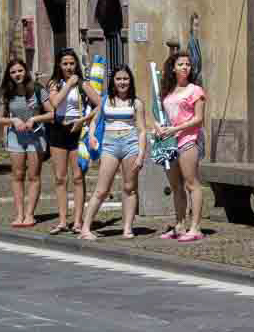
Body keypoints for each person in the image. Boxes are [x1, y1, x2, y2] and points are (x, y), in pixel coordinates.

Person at [82, 65, 148, 239]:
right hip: (110, 146)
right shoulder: (105, 100)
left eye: (125, 79)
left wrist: (141, 154)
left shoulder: (137, 103)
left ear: (130, 81)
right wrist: (91, 137)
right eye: (118, 79)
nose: (122, 82)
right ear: (113, 81)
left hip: (130, 145)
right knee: (102, 189)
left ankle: (127, 228)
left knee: (130, 188)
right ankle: (85, 228)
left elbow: (142, 130)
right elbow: (94, 122)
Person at [46, 49, 101, 237]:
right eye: (65, 64)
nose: (69, 67)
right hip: (58, 130)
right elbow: (54, 103)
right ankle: (62, 220)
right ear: (59, 66)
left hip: (77, 130)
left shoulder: (83, 84)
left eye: (71, 63)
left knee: (78, 177)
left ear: (76, 64)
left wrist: (85, 119)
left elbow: (101, 104)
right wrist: (68, 84)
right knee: (60, 178)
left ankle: (78, 221)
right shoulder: (55, 83)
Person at [156, 49, 206, 242]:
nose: (185, 67)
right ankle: (179, 225)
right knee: (176, 186)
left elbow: (199, 119)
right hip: (169, 143)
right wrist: (160, 128)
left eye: (188, 64)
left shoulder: (195, 91)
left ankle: (195, 227)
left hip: (188, 141)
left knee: (192, 183)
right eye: (181, 64)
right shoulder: (167, 92)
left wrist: (176, 128)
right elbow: (161, 116)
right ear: (173, 68)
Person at [0, 57, 50, 229]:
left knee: (34, 176)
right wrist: (13, 121)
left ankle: (30, 215)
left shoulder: (37, 89)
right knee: (17, 176)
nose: (16, 74)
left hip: (36, 136)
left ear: (25, 71)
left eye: (19, 70)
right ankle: (19, 214)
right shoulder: (7, 92)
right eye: (13, 72)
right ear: (9, 75)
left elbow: (52, 114)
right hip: (16, 138)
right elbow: (0, 119)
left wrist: (34, 118)